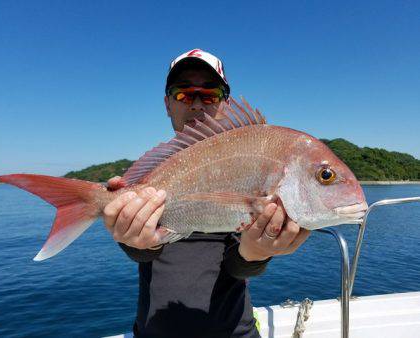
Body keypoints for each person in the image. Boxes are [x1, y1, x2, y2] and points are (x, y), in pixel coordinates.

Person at [103, 49, 310, 338]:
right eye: (183, 95)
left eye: (210, 94)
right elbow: (144, 252)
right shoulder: (150, 175)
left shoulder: (248, 162)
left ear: (225, 104)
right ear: (167, 104)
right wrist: (132, 239)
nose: (197, 104)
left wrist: (256, 253)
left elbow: (238, 266)